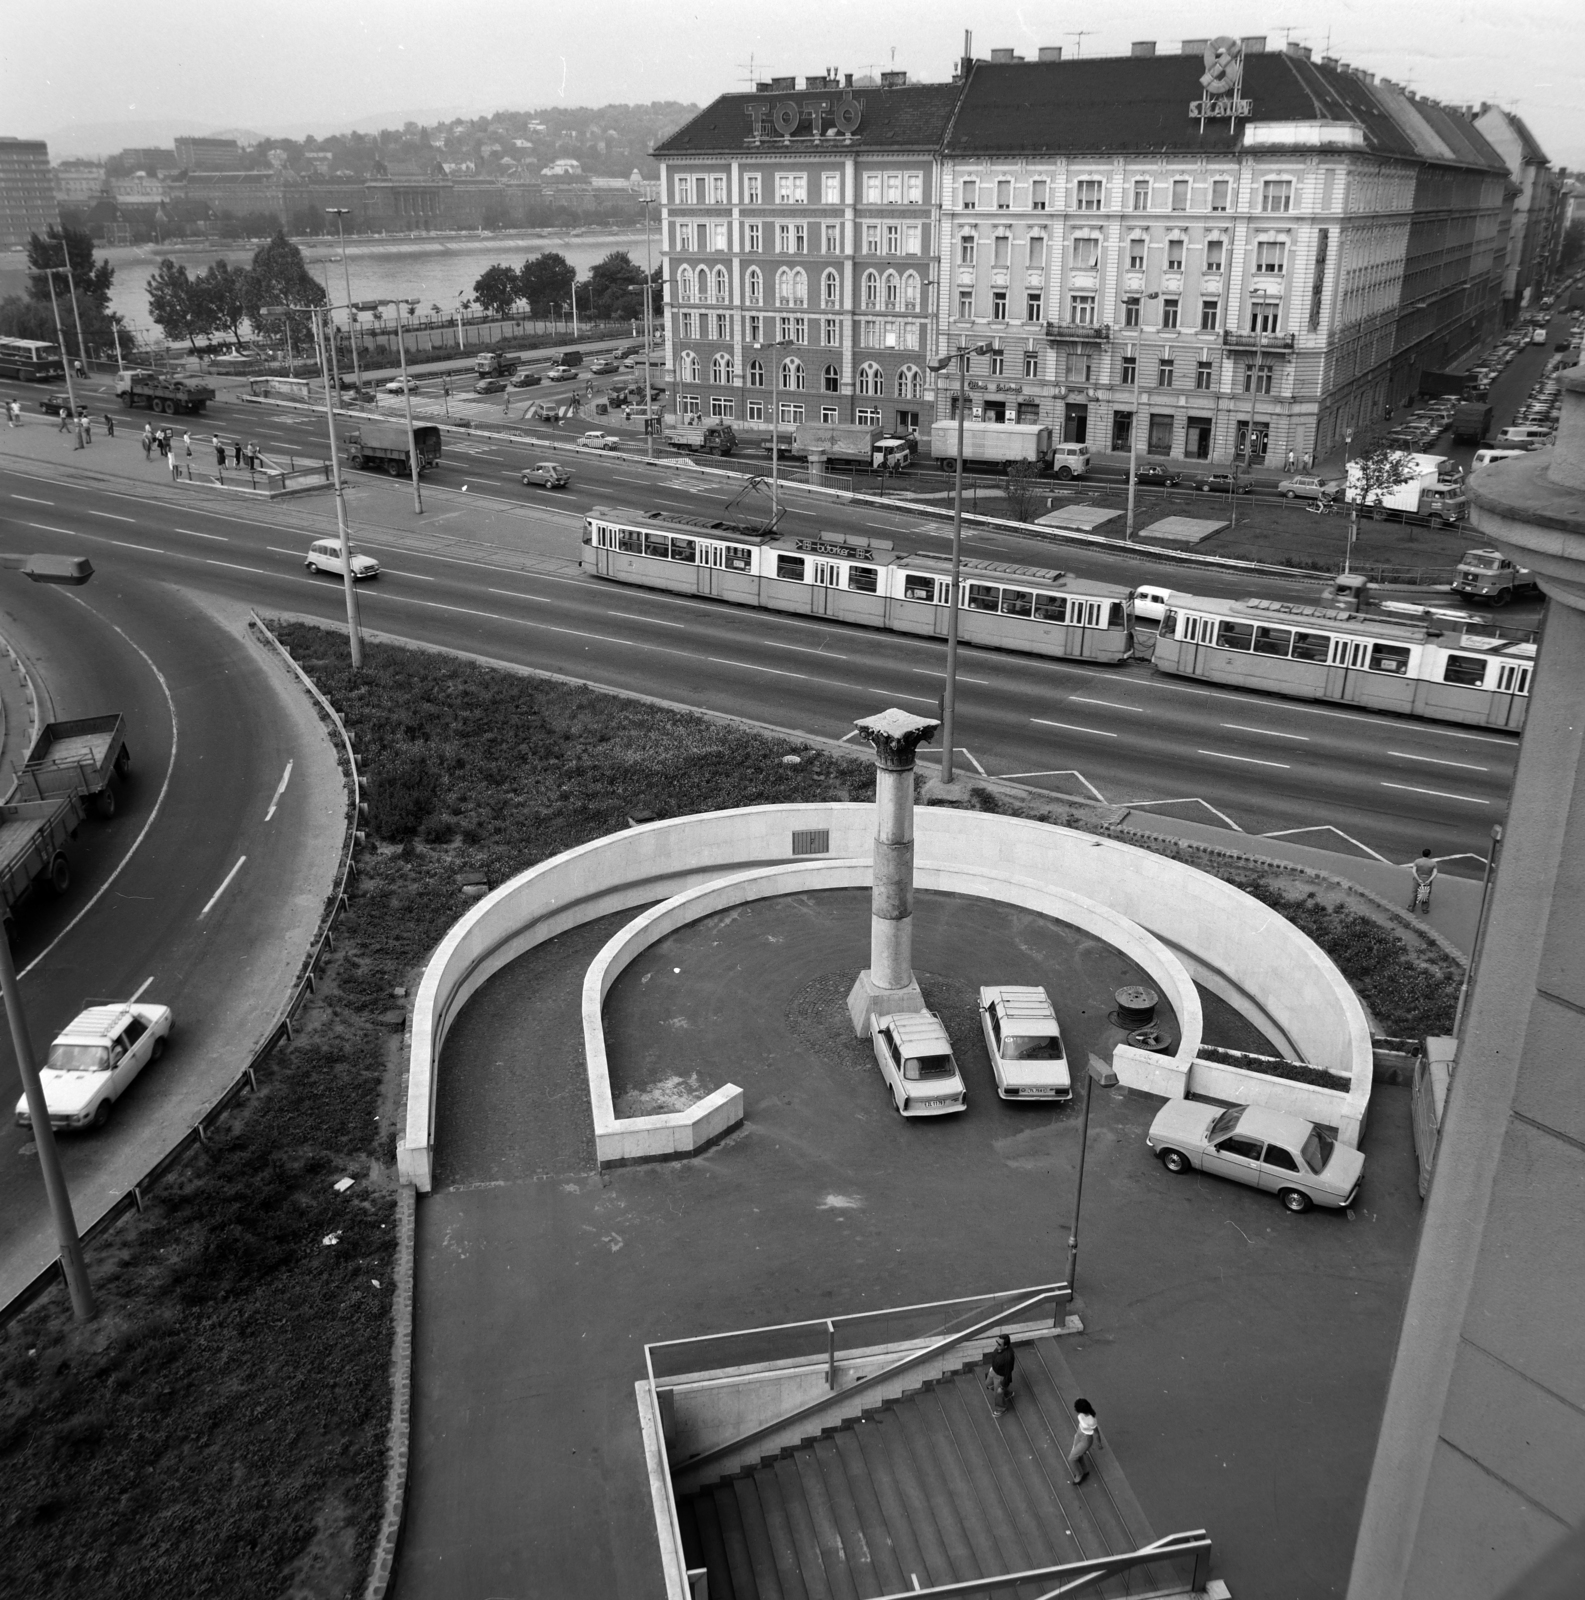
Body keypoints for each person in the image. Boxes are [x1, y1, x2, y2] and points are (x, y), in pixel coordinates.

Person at [1068, 1398, 1101, 1485]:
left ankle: (1079, 1475)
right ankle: (1084, 1470)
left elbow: (1096, 1433)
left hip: (1086, 1439)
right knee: (1077, 1454)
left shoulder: (1091, 1420)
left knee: (1071, 1458)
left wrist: (1099, 1443)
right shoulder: (1082, 1413)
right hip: (1079, 1434)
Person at [987, 1334, 1016, 1416]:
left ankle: (1001, 1409)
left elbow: (1008, 1372)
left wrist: (1003, 1386)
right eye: (997, 1342)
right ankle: (1006, 1393)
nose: (997, 1345)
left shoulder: (1008, 1357)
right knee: (988, 1384)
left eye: (999, 1344)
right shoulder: (999, 1350)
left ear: (1005, 1346)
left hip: (1001, 1376)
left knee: (998, 1393)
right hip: (994, 1370)